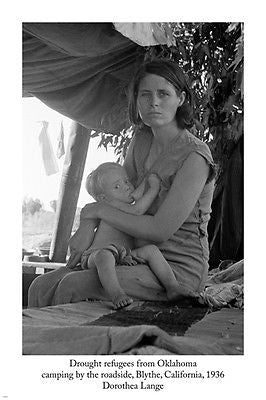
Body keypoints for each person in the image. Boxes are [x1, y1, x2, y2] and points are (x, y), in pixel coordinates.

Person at [28, 59, 215, 308]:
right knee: (40, 286)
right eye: (145, 94)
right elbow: (118, 200)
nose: (154, 102)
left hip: (175, 267)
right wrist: (89, 232)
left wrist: (98, 210)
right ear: (136, 100)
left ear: (180, 99)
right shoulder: (140, 140)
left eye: (164, 94)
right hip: (131, 254)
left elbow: (160, 230)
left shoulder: (194, 156)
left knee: (73, 285)